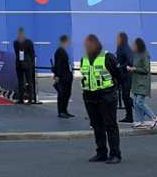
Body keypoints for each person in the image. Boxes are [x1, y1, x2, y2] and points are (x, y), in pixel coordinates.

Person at [80, 34, 122, 163]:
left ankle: (115, 154)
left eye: (89, 44)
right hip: (90, 98)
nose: (87, 46)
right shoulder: (84, 59)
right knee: (97, 126)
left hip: (106, 97)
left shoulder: (108, 57)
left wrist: (113, 90)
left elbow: (119, 75)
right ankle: (101, 152)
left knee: (110, 126)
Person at [130, 38, 157, 129]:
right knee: (135, 102)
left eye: (134, 45)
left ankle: (154, 118)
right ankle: (140, 121)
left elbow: (146, 69)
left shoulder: (144, 54)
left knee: (139, 102)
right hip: (136, 82)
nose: (132, 46)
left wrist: (134, 69)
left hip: (143, 82)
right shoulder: (135, 54)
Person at [114, 31, 135, 123]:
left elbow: (130, 61)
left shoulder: (125, 48)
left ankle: (134, 111)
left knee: (125, 97)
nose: (116, 39)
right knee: (124, 96)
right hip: (121, 75)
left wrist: (120, 66)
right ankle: (129, 115)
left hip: (126, 76)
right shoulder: (120, 47)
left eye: (118, 38)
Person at [53, 34, 74, 118]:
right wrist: (57, 76)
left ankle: (65, 110)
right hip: (63, 76)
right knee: (62, 94)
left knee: (67, 94)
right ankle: (61, 111)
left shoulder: (63, 51)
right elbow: (58, 65)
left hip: (67, 76)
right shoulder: (59, 51)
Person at [13, 28, 36, 105]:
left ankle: (30, 99)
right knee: (20, 82)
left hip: (27, 64)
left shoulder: (28, 42)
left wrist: (31, 64)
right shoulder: (15, 42)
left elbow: (32, 53)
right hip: (19, 64)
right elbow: (17, 52)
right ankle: (21, 99)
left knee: (29, 82)